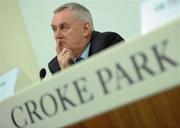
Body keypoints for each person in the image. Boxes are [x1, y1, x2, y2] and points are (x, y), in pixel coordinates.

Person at [48, 2, 124, 74]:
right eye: (54, 29)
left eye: (64, 27)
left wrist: (69, 74)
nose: (57, 35)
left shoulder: (107, 43)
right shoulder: (56, 65)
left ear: (85, 29)